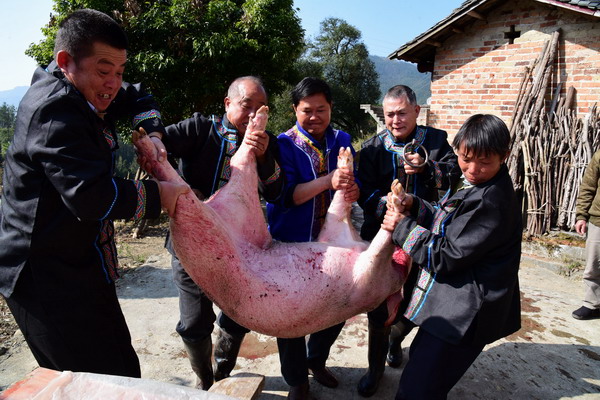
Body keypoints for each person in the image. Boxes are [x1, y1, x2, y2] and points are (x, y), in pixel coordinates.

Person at [0, 9, 186, 378]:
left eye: (119, 71)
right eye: (104, 71)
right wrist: (162, 194)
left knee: (121, 368)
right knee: (86, 380)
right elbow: (92, 197)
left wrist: (152, 132)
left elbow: (137, 94)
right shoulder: (55, 112)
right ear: (66, 62)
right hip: (42, 274)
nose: (113, 83)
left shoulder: (86, 88)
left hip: (81, 259)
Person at [144, 76, 285, 389]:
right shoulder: (198, 129)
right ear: (227, 103)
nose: (252, 116)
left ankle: (222, 371)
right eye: (246, 106)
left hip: (239, 248)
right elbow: (155, 151)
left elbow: (276, 193)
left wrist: (263, 157)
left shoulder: (268, 142)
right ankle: (203, 378)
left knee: (237, 315)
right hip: (191, 245)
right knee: (193, 323)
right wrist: (177, 190)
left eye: (260, 109)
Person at [381, 113, 521, 399]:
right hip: (452, 302)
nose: (472, 169)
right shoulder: (472, 184)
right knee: (422, 368)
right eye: (466, 158)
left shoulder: (492, 201)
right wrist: (414, 204)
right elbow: (448, 221)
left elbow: (445, 255)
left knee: (418, 390)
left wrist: (401, 225)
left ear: (504, 156)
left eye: (484, 162)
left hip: (467, 312)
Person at [356, 84, 461, 397]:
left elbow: (454, 174)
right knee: (377, 306)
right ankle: (375, 371)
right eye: (390, 114)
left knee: (418, 299)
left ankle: (396, 339)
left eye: (402, 112)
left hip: (424, 236)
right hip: (382, 235)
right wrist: (388, 206)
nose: (395, 119)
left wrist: (428, 169)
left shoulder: (436, 140)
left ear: (416, 111)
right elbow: (364, 191)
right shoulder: (374, 147)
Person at [266, 77, 359, 400]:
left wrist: (351, 188)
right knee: (290, 315)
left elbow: (351, 187)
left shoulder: (342, 140)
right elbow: (287, 196)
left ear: (331, 108)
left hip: (332, 244)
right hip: (291, 243)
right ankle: (296, 381)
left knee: (338, 305)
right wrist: (330, 180)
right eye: (307, 110)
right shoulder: (283, 144)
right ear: (295, 109)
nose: (315, 117)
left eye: (322, 109)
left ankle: (315, 360)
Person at [572, 150, 600, 320]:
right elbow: (589, 185)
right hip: (598, 219)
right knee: (594, 264)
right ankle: (592, 304)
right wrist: (581, 215)